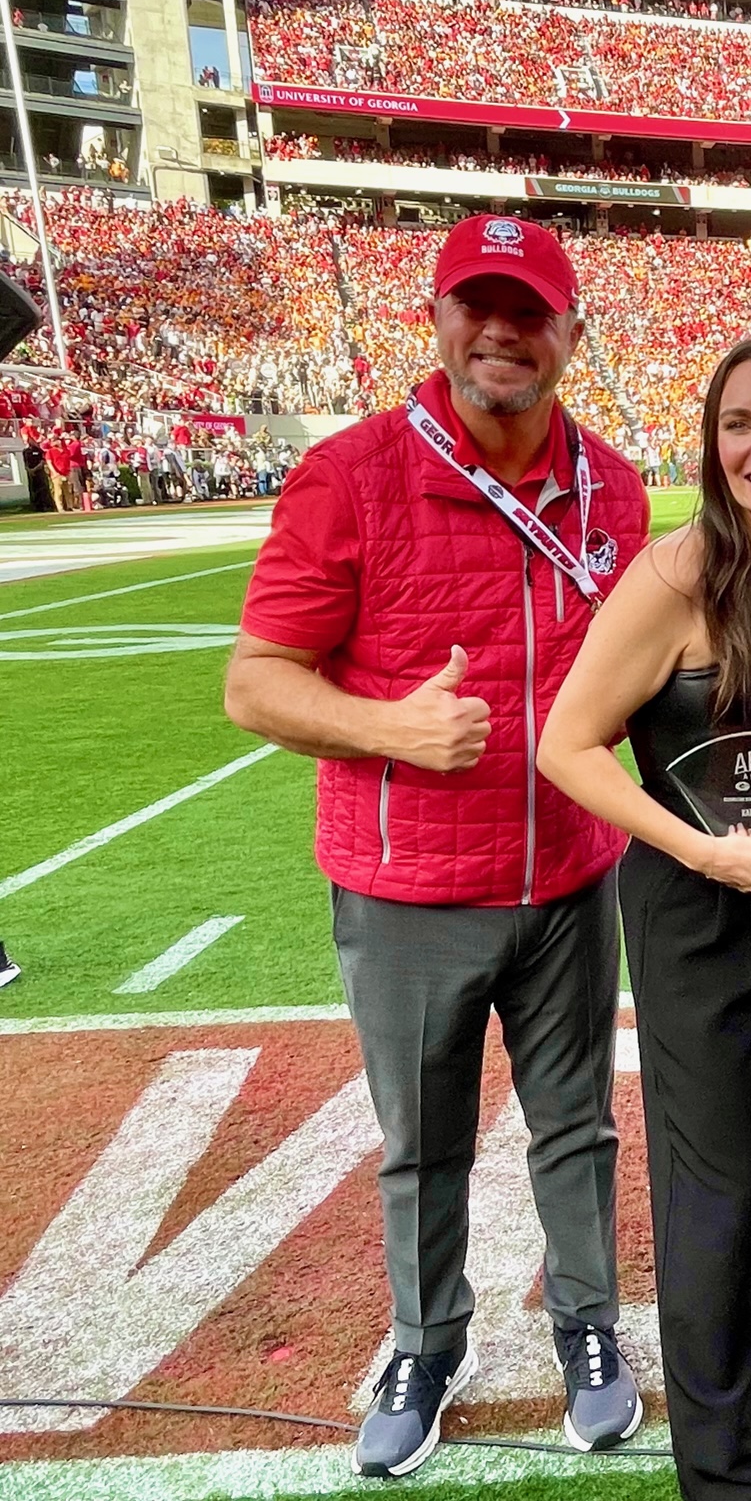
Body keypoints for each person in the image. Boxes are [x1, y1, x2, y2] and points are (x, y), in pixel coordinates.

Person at [222, 215, 651, 1479]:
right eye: (478, 305)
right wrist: (390, 729)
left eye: (529, 310)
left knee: (575, 1125)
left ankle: (587, 1328)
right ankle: (426, 1339)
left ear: (572, 332)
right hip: (408, 888)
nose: (502, 331)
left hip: (572, 875)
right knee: (424, 1138)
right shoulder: (352, 474)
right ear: (438, 316)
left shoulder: (614, 488)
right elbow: (255, 684)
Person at [539, 336, 751, 1501]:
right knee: (716, 1178)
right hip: (694, 910)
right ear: (711, 442)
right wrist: (696, 848)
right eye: (739, 423)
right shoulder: (673, 578)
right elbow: (566, 745)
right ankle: (725, 1468)